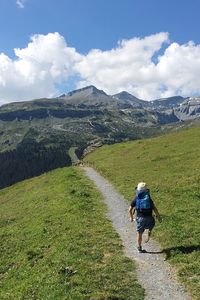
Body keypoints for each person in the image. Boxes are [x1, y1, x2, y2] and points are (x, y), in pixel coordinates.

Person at [129, 182, 162, 253]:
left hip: (140, 218)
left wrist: (131, 217)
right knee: (151, 224)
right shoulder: (148, 198)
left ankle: (139, 247)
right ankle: (149, 230)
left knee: (139, 233)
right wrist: (158, 216)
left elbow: (130, 209)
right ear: (146, 190)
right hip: (149, 218)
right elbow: (154, 208)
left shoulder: (136, 199)